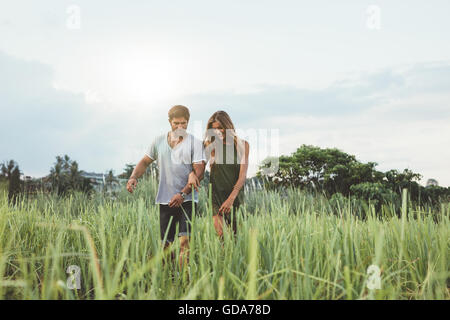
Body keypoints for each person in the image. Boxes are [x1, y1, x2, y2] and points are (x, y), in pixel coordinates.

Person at [127, 105, 206, 270]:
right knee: (166, 246)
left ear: (188, 122)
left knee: (185, 241)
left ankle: (184, 281)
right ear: (170, 122)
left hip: (187, 199)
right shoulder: (158, 141)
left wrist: (183, 194)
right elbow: (144, 162)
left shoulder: (195, 143)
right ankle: (169, 278)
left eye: (184, 123)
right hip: (165, 200)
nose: (180, 127)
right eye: (176, 123)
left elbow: (199, 171)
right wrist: (134, 177)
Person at [188, 110, 249, 239]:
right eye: (214, 129)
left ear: (228, 126)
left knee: (236, 237)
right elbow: (199, 169)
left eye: (221, 128)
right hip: (216, 196)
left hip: (235, 196)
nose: (218, 131)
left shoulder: (242, 145)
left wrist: (231, 199)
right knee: (222, 236)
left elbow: (243, 175)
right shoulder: (208, 145)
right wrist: (191, 175)